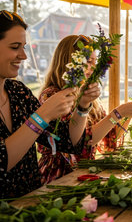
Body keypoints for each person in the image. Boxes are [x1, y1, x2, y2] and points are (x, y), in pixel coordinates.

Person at [0, 10, 96, 198]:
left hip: (29, 206)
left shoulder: (19, 92)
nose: (24, 56)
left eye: (24, 47)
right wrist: (41, 117)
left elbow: (67, 142)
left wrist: (83, 106)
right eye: (15, 47)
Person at [37, 35, 132, 184]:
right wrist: (118, 113)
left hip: (84, 172)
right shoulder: (52, 96)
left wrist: (128, 115)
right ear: (70, 63)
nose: (93, 67)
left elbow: (110, 135)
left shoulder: (88, 97)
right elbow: (85, 140)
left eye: (95, 62)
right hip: (58, 176)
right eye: (88, 62)